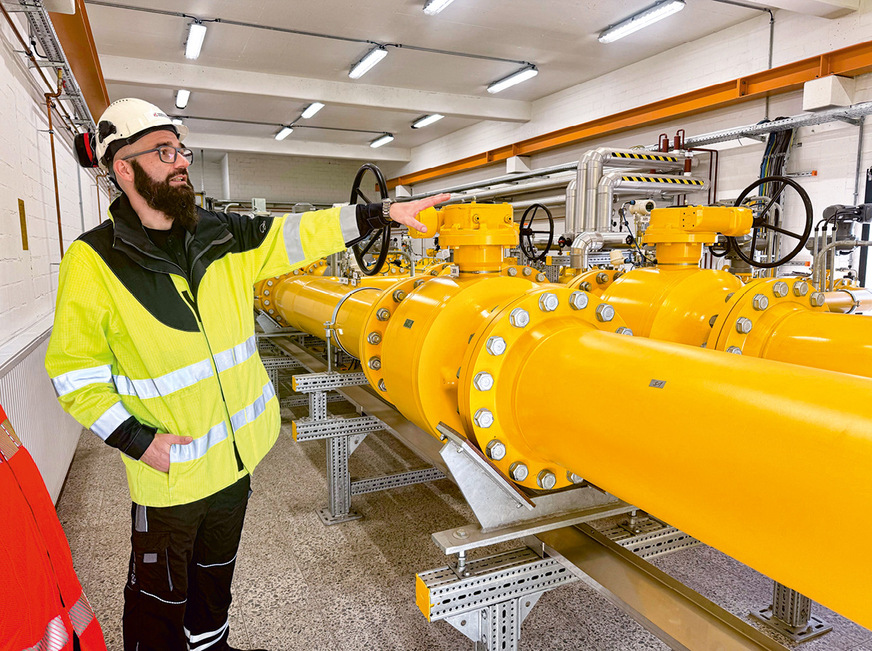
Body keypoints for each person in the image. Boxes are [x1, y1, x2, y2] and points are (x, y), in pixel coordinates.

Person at [45, 97, 448, 651]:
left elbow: (299, 233)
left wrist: (377, 215)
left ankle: (212, 646)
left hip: (236, 459)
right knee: (158, 596)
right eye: (163, 152)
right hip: (171, 473)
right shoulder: (94, 262)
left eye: (180, 148)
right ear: (124, 167)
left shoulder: (223, 235)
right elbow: (73, 374)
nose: (180, 160)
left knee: (216, 577)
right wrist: (139, 442)